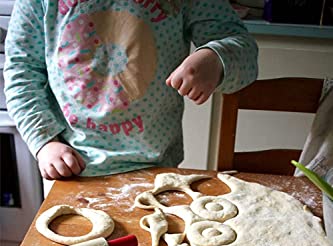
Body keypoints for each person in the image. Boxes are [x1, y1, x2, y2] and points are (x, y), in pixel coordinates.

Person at [4, 0, 258, 180]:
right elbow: (21, 71)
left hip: (157, 168)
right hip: (71, 166)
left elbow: (244, 51)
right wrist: (44, 141)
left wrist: (216, 58)